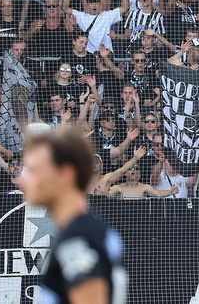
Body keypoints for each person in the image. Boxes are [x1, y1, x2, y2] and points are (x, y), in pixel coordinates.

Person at [19, 130, 126, 304]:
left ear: (65, 175)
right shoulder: (82, 230)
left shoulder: (78, 237)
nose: (23, 180)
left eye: (33, 170)